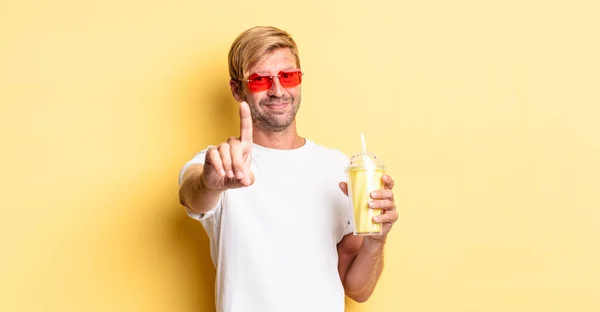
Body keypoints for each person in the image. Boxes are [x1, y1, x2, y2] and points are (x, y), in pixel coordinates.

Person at [178, 26, 398, 312]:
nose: (278, 90)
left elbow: (357, 289)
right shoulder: (222, 163)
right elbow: (193, 194)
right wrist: (210, 183)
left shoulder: (339, 169)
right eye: (259, 80)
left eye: (288, 76)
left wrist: (375, 241)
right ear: (237, 89)